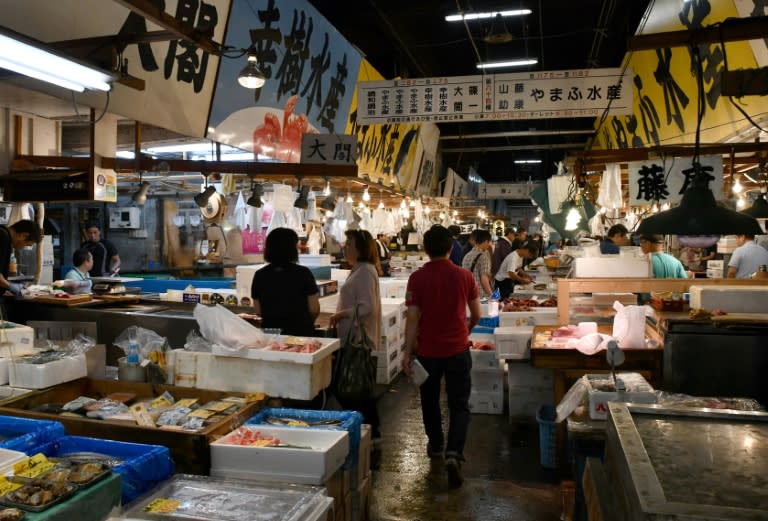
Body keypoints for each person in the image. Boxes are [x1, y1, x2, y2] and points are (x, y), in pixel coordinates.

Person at [403, 225, 480, 488]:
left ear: (425, 249)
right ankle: (454, 453)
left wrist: (406, 352)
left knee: (430, 400)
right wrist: (464, 331)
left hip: (428, 352)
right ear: (451, 248)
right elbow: (477, 315)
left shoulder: (417, 278)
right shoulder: (465, 276)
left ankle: (436, 445)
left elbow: (412, 318)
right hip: (458, 349)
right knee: (459, 404)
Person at [330, 229, 382, 440]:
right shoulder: (360, 269)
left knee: (354, 390)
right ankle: (369, 433)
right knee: (357, 390)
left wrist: (342, 314)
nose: (345, 247)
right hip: (354, 339)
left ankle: (372, 434)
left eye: (349, 243)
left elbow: (367, 307)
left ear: (361, 248)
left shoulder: (365, 271)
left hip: (359, 341)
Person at [250, 228, 320, 336]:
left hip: (270, 333)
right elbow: (314, 309)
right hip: (300, 332)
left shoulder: (259, 275)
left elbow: (258, 311)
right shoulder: (303, 273)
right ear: (292, 249)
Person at [0, 220, 42, 299]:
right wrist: (10, 286)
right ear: (23, 235)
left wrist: (5, 287)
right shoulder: (2, 237)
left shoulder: (5, 237)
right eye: (26, 244)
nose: (23, 248)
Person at [461, 228, 493, 299]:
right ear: (485, 241)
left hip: (468, 293)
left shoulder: (467, 255)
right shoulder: (483, 256)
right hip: (481, 295)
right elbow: (484, 278)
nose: (489, 244)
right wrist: (492, 295)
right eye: (489, 242)